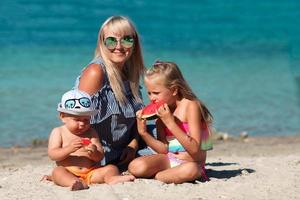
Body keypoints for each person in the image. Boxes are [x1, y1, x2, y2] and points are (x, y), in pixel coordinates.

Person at [74, 16, 145, 170]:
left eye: (126, 39)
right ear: (102, 43)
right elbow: (77, 121)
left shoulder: (130, 72)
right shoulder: (96, 72)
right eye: (111, 41)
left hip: (127, 149)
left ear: (135, 43)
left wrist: (133, 143)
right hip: (100, 154)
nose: (119, 46)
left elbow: (135, 120)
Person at [128, 61, 213, 184]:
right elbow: (164, 150)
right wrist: (144, 133)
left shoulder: (191, 106)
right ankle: (166, 176)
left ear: (173, 90)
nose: (152, 98)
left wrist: (170, 123)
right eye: (149, 93)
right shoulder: (162, 113)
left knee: (191, 170)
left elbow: (195, 149)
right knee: (135, 166)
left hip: (192, 163)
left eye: (156, 93)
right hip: (170, 159)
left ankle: (158, 176)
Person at [47, 89, 135, 191]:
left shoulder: (91, 132)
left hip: (91, 172)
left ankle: (111, 178)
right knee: (57, 172)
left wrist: (94, 152)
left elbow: (100, 156)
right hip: (69, 170)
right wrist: (69, 148)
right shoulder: (58, 132)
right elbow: (53, 155)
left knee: (111, 168)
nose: (82, 124)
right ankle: (75, 182)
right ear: (63, 116)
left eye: (86, 120)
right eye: (76, 120)